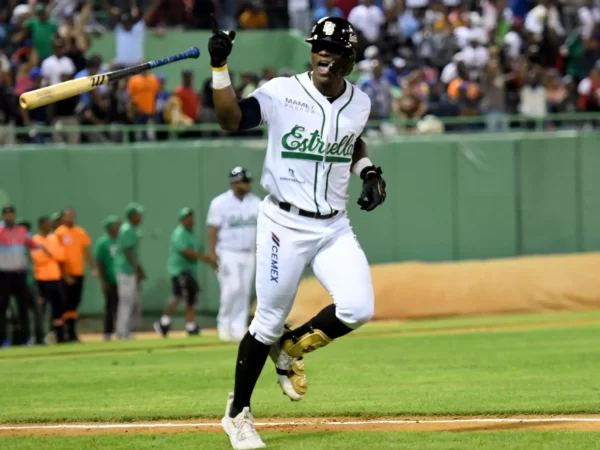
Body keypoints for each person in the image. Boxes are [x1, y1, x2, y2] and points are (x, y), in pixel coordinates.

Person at [208, 16, 387, 449]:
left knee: (359, 307)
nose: (323, 54)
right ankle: (237, 414)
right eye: (317, 47)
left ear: (348, 58)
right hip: (283, 223)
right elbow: (231, 118)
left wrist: (367, 171)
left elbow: (353, 141)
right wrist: (219, 68)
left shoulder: (359, 102)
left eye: (332, 50)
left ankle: (292, 348)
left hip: (333, 224)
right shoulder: (283, 91)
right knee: (265, 320)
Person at [207, 167, 260, 343]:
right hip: (227, 252)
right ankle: (224, 326)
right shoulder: (219, 203)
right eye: (244, 181)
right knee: (232, 289)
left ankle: (238, 328)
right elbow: (213, 229)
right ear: (234, 183)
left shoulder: (256, 202)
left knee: (244, 291)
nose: (247, 185)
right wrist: (212, 252)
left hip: (249, 252)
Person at [154, 208, 216, 338]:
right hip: (179, 270)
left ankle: (190, 325)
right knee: (178, 295)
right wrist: (203, 257)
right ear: (182, 220)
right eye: (187, 217)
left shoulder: (193, 234)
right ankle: (163, 322)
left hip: (191, 271)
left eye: (191, 217)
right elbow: (185, 251)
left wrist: (208, 259)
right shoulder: (179, 233)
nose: (190, 219)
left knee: (191, 297)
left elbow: (199, 251)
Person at [0, 205, 48, 347]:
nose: (10, 217)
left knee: (23, 308)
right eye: (7, 214)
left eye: (12, 214)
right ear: (3, 216)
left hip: (19, 274)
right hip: (4, 274)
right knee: (2, 309)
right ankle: (3, 340)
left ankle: (26, 338)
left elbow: (33, 244)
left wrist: (44, 249)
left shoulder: (21, 231)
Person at [54, 207, 97, 342]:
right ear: (62, 218)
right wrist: (65, 275)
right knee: (65, 304)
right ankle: (62, 333)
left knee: (75, 303)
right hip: (65, 275)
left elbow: (86, 252)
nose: (71, 218)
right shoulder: (59, 233)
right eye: (68, 215)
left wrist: (93, 268)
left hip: (79, 273)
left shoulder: (80, 232)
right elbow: (58, 256)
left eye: (72, 215)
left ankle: (72, 332)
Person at [31, 216, 67, 344]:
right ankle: (39, 337)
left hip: (55, 277)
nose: (49, 226)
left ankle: (59, 336)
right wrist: (50, 255)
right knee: (41, 309)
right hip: (41, 279)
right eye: (47, 224)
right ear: (41, 225)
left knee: (58, 308)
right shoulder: (35, 239)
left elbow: (61, 256)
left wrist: (49, 253)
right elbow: (38, 258)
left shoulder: (54, 238)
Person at [114, 203, 145, 341]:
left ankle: (125, 331)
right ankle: (122, 332)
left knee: (129, 301)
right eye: (138, 214)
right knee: (126, 301)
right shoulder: (127, 229)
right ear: (132, 215)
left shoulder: (132, 229)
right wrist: (137, 269)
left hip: (128, 270)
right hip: (125, 270)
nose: (141, 216)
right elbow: (128, 251)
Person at [16, 218, 45, 344]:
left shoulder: (30, 244)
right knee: (22, 312)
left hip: (31, 281)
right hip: (17, 283)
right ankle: (25, 338)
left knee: (37, 311)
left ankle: (39, 338)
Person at [95, 216, 121, 341]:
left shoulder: (121, 240)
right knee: (110, 307)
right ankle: (107, 332)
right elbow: (100, 263)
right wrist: (103, 281)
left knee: (121, 306)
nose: (118, 226)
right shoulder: (103, 242)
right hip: (109, 279)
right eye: (115, 224)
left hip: (121, 278)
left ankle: (121, 331)